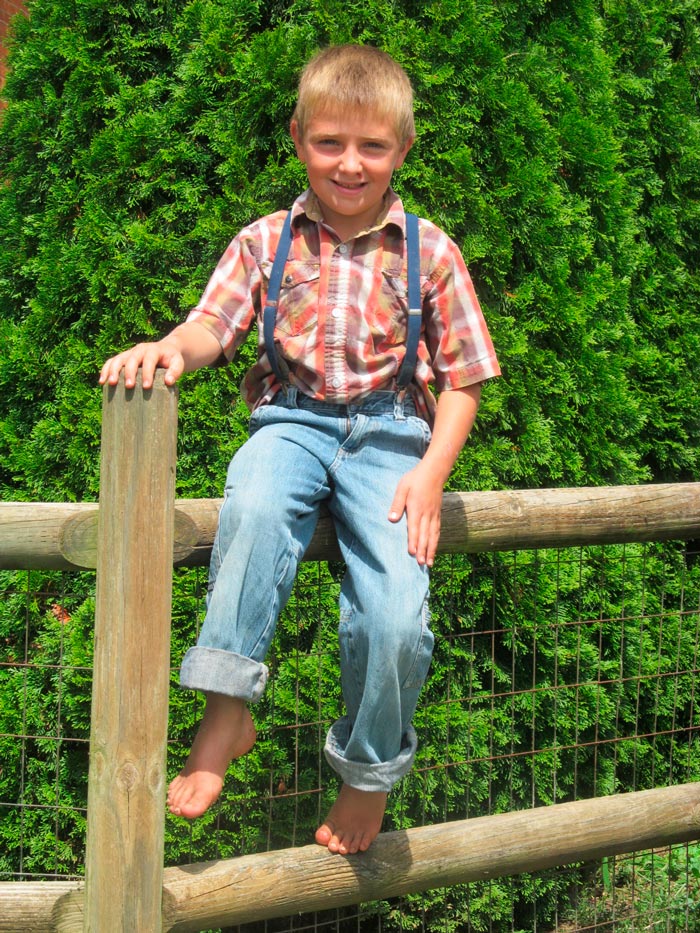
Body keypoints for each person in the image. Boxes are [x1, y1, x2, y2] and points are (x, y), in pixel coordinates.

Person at [100, 43, 500, 856]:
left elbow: (465, 379)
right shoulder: (263, 241)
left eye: (372, 146)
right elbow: (213, 325)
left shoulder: (432, 251)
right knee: (249, 505)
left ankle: (366, 774)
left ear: (403, 148)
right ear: (297, 138)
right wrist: (173, 348)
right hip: (289, 422)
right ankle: (226, 711)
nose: (350, 165)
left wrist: (432, 474)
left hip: (393, 439)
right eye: (329, 143)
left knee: (394, 614)